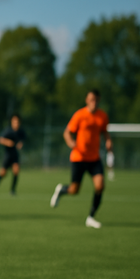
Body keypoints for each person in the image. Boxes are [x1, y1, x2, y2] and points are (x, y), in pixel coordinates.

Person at [50, 89, 111, 229]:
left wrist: (108, 141)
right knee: (74, 190)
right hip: (79, 158)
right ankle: (61, 190)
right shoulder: (80, 115)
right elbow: (67, 132)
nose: (93, 102)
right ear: (86, 100)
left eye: (96, 100)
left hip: (94, 158)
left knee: (100, 185)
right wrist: (71, 142)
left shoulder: (102, 116)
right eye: (91, 100)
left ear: (99, 100)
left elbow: (105, 133)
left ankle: (91, 217)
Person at [0, 113, 26, 195]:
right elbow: (0, 139)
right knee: (4, 172)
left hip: (15, 154)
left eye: (17, 122)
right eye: (14, 122)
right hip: (7, 155)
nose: (16, 123)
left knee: (16, 171)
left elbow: (22, 140)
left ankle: (12, 190)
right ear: (11, 122)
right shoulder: (8, 130)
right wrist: (8, 142)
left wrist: (20, 144)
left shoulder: (21, 131)